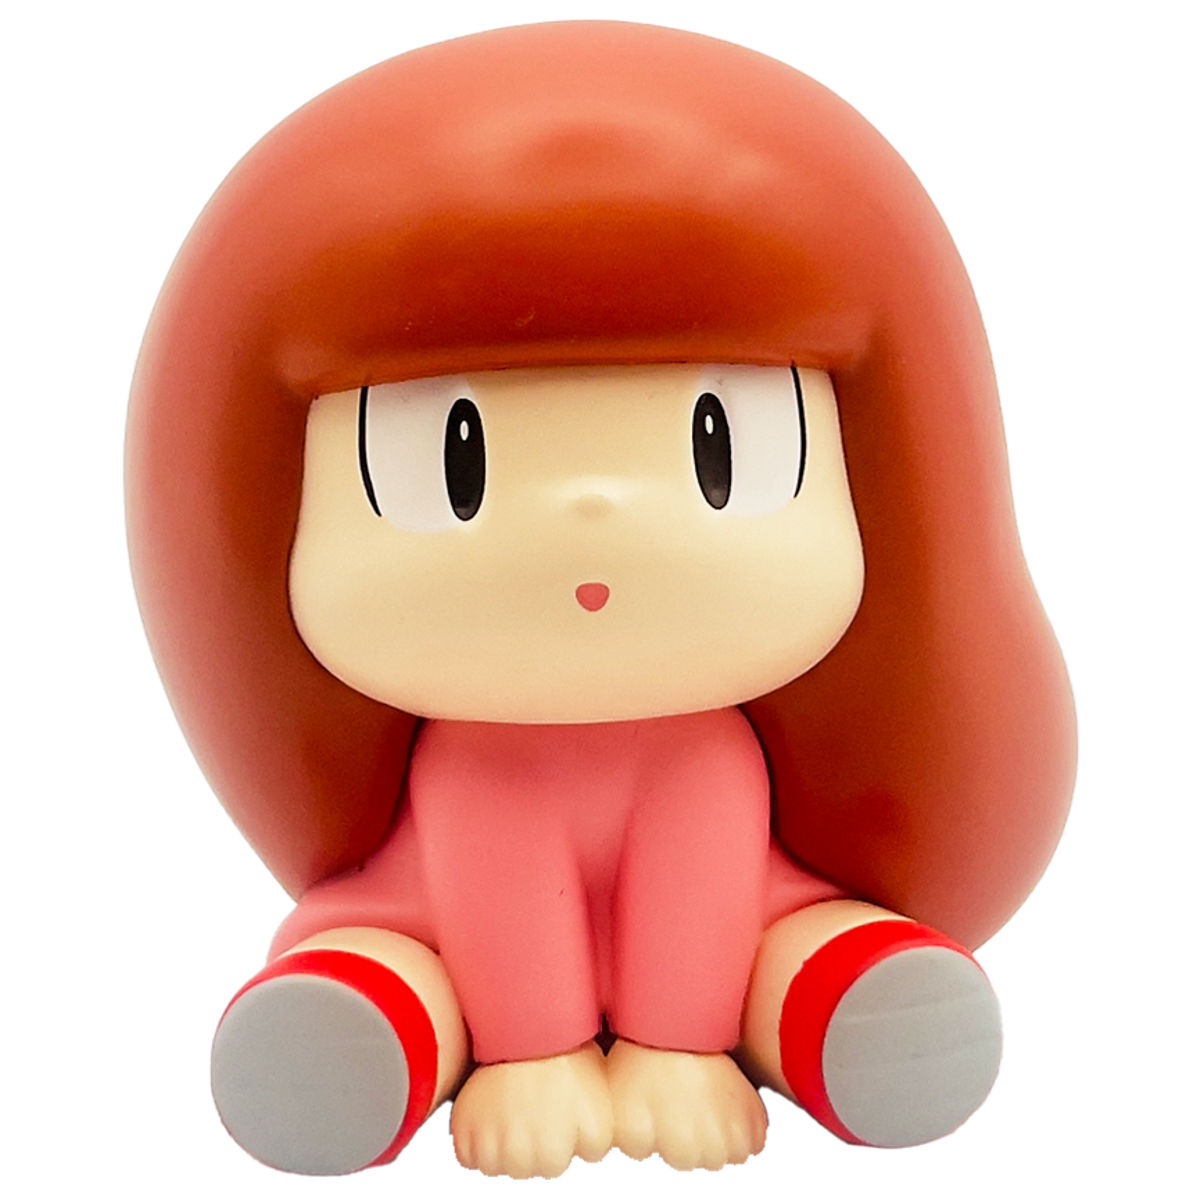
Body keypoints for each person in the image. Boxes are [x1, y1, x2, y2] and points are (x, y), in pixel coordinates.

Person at [126, 21, 1075, 1178]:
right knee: (407, 950)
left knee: (775, 919)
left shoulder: (718, 752)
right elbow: (498, 889)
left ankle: (839, 1005)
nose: (593, 515)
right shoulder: (464, 766)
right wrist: (534, 1054)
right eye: (455, 461)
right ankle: (374, 1023)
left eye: (718, 448)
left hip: (738, 925)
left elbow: (700, 877)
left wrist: (679, 1046)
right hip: (447, 921)